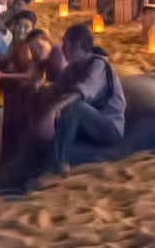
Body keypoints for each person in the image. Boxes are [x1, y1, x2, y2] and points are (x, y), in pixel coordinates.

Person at [37, 24, 126, 172]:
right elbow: (56, 88)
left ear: (76, 45)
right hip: (86, 123)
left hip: (108, 127)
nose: (62, 48)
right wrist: (40, 91)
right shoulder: (72, 68)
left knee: (74, 107)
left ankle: (60, 160)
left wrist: (55, 109)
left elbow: (81, 92)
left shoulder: (98, 65)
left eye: (65, 43)